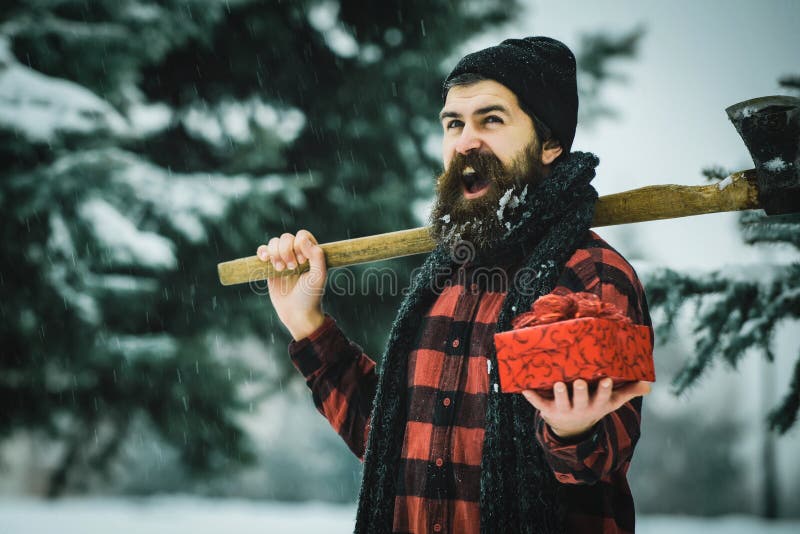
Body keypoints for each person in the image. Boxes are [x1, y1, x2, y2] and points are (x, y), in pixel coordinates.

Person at [257, 36, 653, 534]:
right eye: (454, 124)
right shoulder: (444, 275)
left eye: (492, 119)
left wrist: (575, 430)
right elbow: (390, 442)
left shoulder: (591, 273)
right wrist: (307, 324)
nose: (466, 141)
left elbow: (599, 462)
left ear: (550, 142)